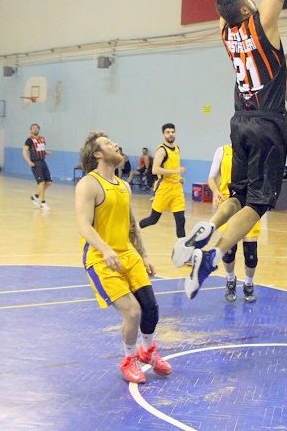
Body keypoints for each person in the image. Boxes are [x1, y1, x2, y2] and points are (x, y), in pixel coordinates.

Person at [171, 0, 287, 300]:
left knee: (237, 194)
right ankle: (212, 253)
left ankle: (204, 229)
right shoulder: (264, 23)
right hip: (268, 121)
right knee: (258, 203)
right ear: (246, 6)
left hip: (239, 122)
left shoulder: (226, 28)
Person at [75, 131, 171, 384]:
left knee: (150, 308)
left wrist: (144, 255)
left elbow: (132, 225)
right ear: (97, 154)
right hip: (100, 258)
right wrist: (106, 249)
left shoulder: (124, 186)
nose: (115, 144)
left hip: (128, 254)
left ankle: (148, 352)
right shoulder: (88, 184)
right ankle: (129, 359)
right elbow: (84, 226)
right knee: (133, 312)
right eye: (108, 143)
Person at [208, 144, 261, 303]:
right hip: (228, 204)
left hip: (250, 205)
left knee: (251, 253)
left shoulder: (254, 149)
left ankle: (249, 284)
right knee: (229, 251)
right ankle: (230, 280)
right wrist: (216, 192)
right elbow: (211, 177)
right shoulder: (222, 151)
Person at [138, 124, 186, 238]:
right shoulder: (161, 150)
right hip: (164, 187)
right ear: (163, 135)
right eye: (168, 132)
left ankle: (182, 246)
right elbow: (155, 170)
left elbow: (172, 166)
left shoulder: (177, 149)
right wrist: (175, 171)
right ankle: (134, 228)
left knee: (181, 220)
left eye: (172, 132)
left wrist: (178, 177)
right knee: (153, 219)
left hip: (176, 188)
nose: (171, 134)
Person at [23, 123, 52, 211]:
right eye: (33, 128)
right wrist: (29, 161)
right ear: (31, 130)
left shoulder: (42, 139)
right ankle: (43, 203)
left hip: (43, 162)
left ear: (39, 129)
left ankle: (35, 196)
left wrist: (46, 152)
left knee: (49, 182)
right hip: (35, 163)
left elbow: (40, 149)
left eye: (36, 128)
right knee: (41, 183)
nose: (35, 129)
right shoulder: (29, 140)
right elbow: (24, 152)